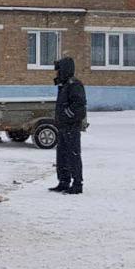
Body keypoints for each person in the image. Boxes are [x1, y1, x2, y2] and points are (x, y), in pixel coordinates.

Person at [50, 56, 86, 194]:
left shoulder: (74, 85)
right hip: (63, 127)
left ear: (65, 70)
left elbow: (79, 106)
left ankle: (77, 184)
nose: (57, 74)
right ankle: (64, 181)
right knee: (62, 155)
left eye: (59, 71)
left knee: (73, 155)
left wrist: (66, 115)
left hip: (71, 127)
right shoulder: (64, 85)